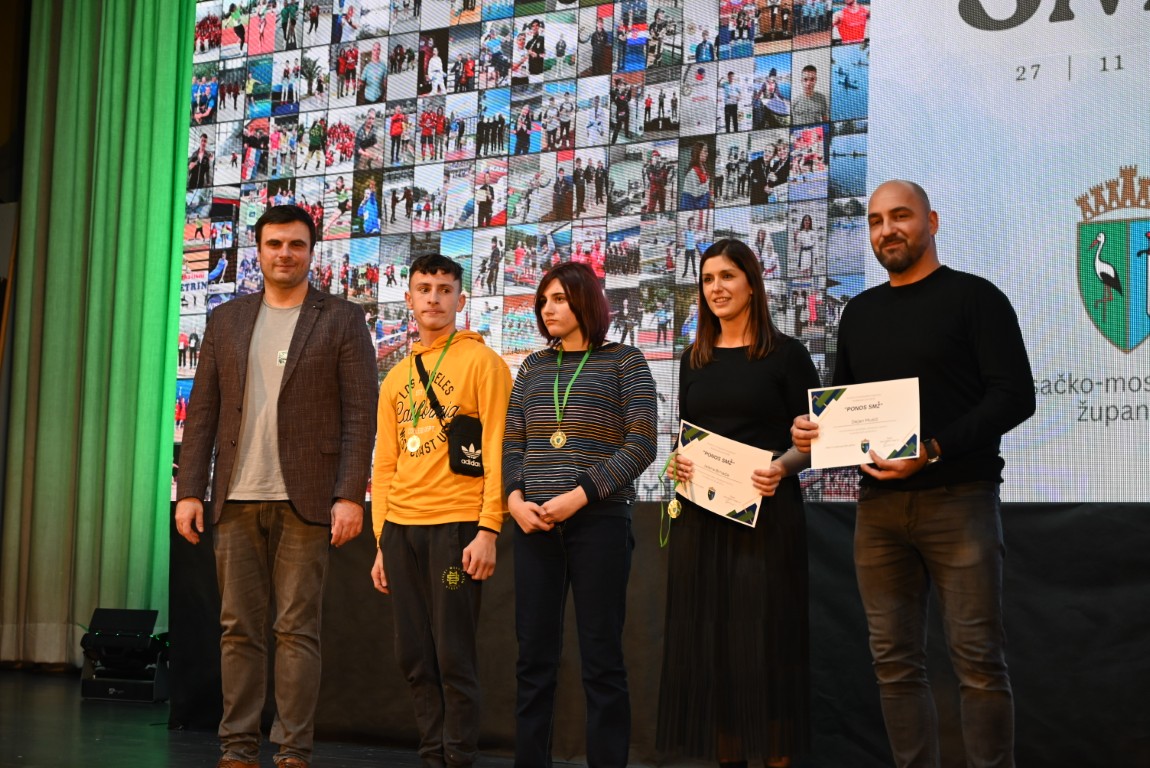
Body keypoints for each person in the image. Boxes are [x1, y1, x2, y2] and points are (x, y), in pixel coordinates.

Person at [790, 180, 1035, 768]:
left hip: (960, 499)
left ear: (933, 221)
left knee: (978, 662)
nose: (887, 230)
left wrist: (933, 449)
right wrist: (813, 432)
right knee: (894, 665)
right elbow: (845, 409)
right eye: (876, 221)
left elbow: (1015, 395)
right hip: (878, 510)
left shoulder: (976, 299)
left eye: (900, 216)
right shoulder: (859, 313)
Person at [175, 205, 378, 768]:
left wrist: (349, 494)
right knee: (238, 630)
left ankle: (292, 751)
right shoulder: (227, 320)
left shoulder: (342, 318)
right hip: (235, 499)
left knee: (296, 630)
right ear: (258, 251)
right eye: (274, 244)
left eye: (296, 244)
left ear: (312, 251)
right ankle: (238, 748)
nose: (284, 253)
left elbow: (360, 414)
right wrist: (189, 490)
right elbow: (203, 413)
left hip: (306, 499)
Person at [657, 237, 818, 768]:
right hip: (702, 522)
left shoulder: (788, 355)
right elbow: (688, 438)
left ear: (752, 282)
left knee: (766, 652)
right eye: (707, 279)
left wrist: (782, 466)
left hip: (768, 523)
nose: (716, 288)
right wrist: (677, 463)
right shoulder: (694, 358)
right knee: (715, 656)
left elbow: (813, 442)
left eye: (727, 276)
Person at [502, 261, 658, 768]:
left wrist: (580, 495)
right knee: (533, 660)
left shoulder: (625, 360)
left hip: (599, 523)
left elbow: (642, 444)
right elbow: (512, 444)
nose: (547, 309)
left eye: (559, 299)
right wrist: (514, 500)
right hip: (534, 526)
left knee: (601, 659)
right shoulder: (532, 367)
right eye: (543, 300)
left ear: (586, 301)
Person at [372, 254, 512, 768]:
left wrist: (488, 528)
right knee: (413, 654)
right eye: (424, 289)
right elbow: (384, 462)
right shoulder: (395, 376)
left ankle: (459, 757)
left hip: (455, 530)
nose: (434, 298)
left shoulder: (483, 363)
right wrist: (381, 541)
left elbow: (497, 449)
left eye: (445, 289)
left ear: (460, 298)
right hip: (400, 533)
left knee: (454, 653)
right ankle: (431, 755)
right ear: (408, 297)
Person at [680, 141, 712, 210]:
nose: (707, 153)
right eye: (705, 151)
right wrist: (707, 184)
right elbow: (696, 192)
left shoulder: (704, 167)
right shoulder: (693, 171)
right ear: (698, 152)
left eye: (707, 151)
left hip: (700, 203)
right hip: (689, 205)